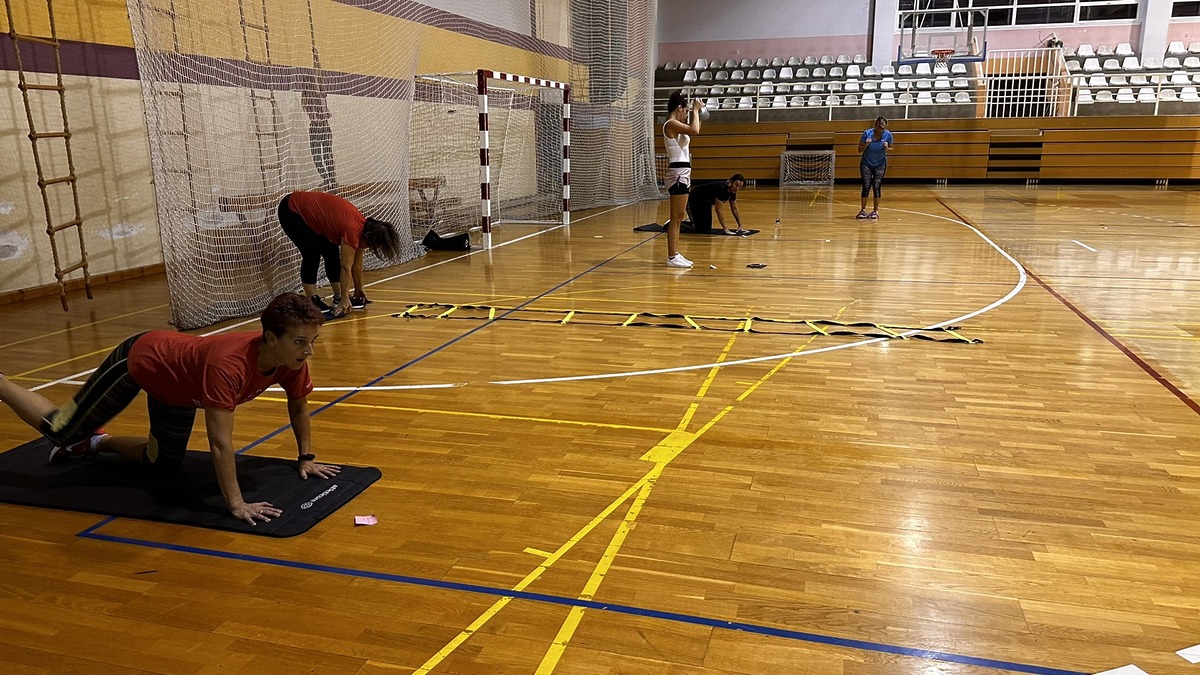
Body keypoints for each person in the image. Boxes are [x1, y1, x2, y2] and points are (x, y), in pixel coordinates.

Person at [0, 293, 340, 526]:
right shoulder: (228, 365)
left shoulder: (292, 361)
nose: (308, 351)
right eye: (300, 342)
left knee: (160, 463)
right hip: (141, 361)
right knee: (62, 429)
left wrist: (306, 457)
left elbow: (298, 405)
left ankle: (95, 442)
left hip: (178, 390)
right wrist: (236, 504)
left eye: (312, 342)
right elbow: (220, 442)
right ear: (271, 338)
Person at [278, 190, 401, 316]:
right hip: (292, 209)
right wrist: (345, 299)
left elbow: (357, 264)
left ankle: (338, 295)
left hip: (316, 218)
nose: (371, 248)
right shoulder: (353, 230)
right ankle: (311, 299)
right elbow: (346, 268)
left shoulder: (366, 231)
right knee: (312, 253)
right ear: (369, 236)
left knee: (331, 254)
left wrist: (359, 289)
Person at [662, 91, 703, 268]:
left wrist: (697, 112)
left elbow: (694, 128)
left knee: (679, 217)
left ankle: (675, 253)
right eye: (686, 111)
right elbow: (695, 130)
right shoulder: (671, 124)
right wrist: (696, 110)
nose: (687, 115)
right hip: (678, 172)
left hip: (683, 171)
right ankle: (671, 257)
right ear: (679, 108)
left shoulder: (677, 125)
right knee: (676, 217)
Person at [301, 70, 336, 191]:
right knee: (321, 157)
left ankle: (330, 181)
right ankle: (328, 180)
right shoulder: (308, 98)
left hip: (320, 127)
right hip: (319, 128)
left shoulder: (317, 95)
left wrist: (316, 60)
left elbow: (319, 77)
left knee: (325, 157)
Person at [857, 116, 894, 220]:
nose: (879, 129)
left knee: (877, 186)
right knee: (866, 185)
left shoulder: (888, 135)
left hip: (880, 164)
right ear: (875, 125)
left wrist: (887, 148)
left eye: (882, 128)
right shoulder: (867, 133)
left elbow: (892, 148)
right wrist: (866, 144)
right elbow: (859, 150)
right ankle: (863, 210)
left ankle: (875, 211)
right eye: (878, 126)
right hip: (866, 163)